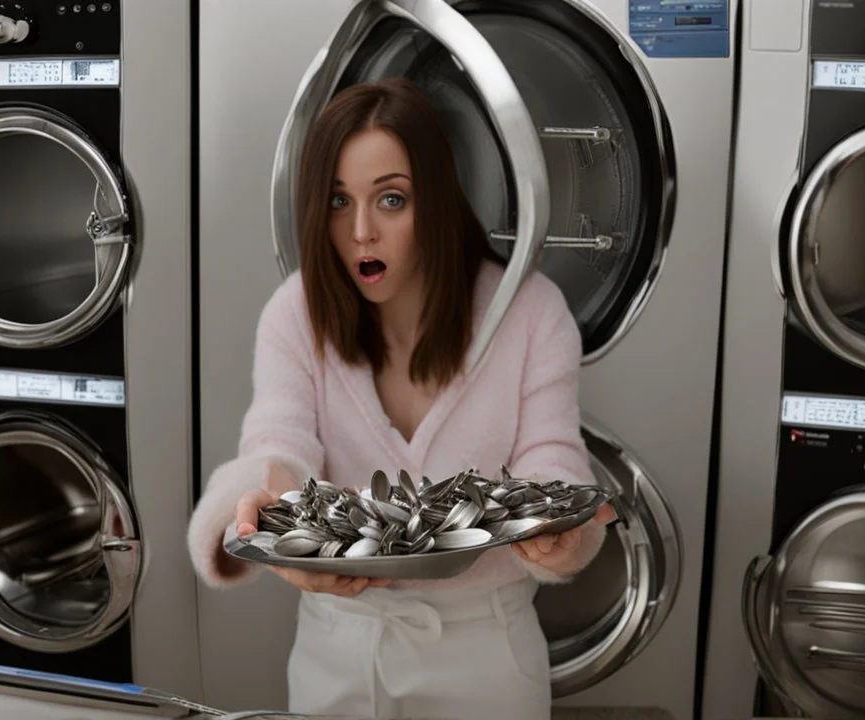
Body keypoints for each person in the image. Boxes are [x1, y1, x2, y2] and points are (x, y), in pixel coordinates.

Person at [187, 77, 615, 720]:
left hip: (487, 657)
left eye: (391, 200)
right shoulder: (295, 315)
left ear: (437, 202)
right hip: (337, 651)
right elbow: (280, 445)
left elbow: (551, 459)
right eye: (338, 200)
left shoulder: (530, 314)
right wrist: (262, 510)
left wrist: (561, 533)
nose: (360, 232)